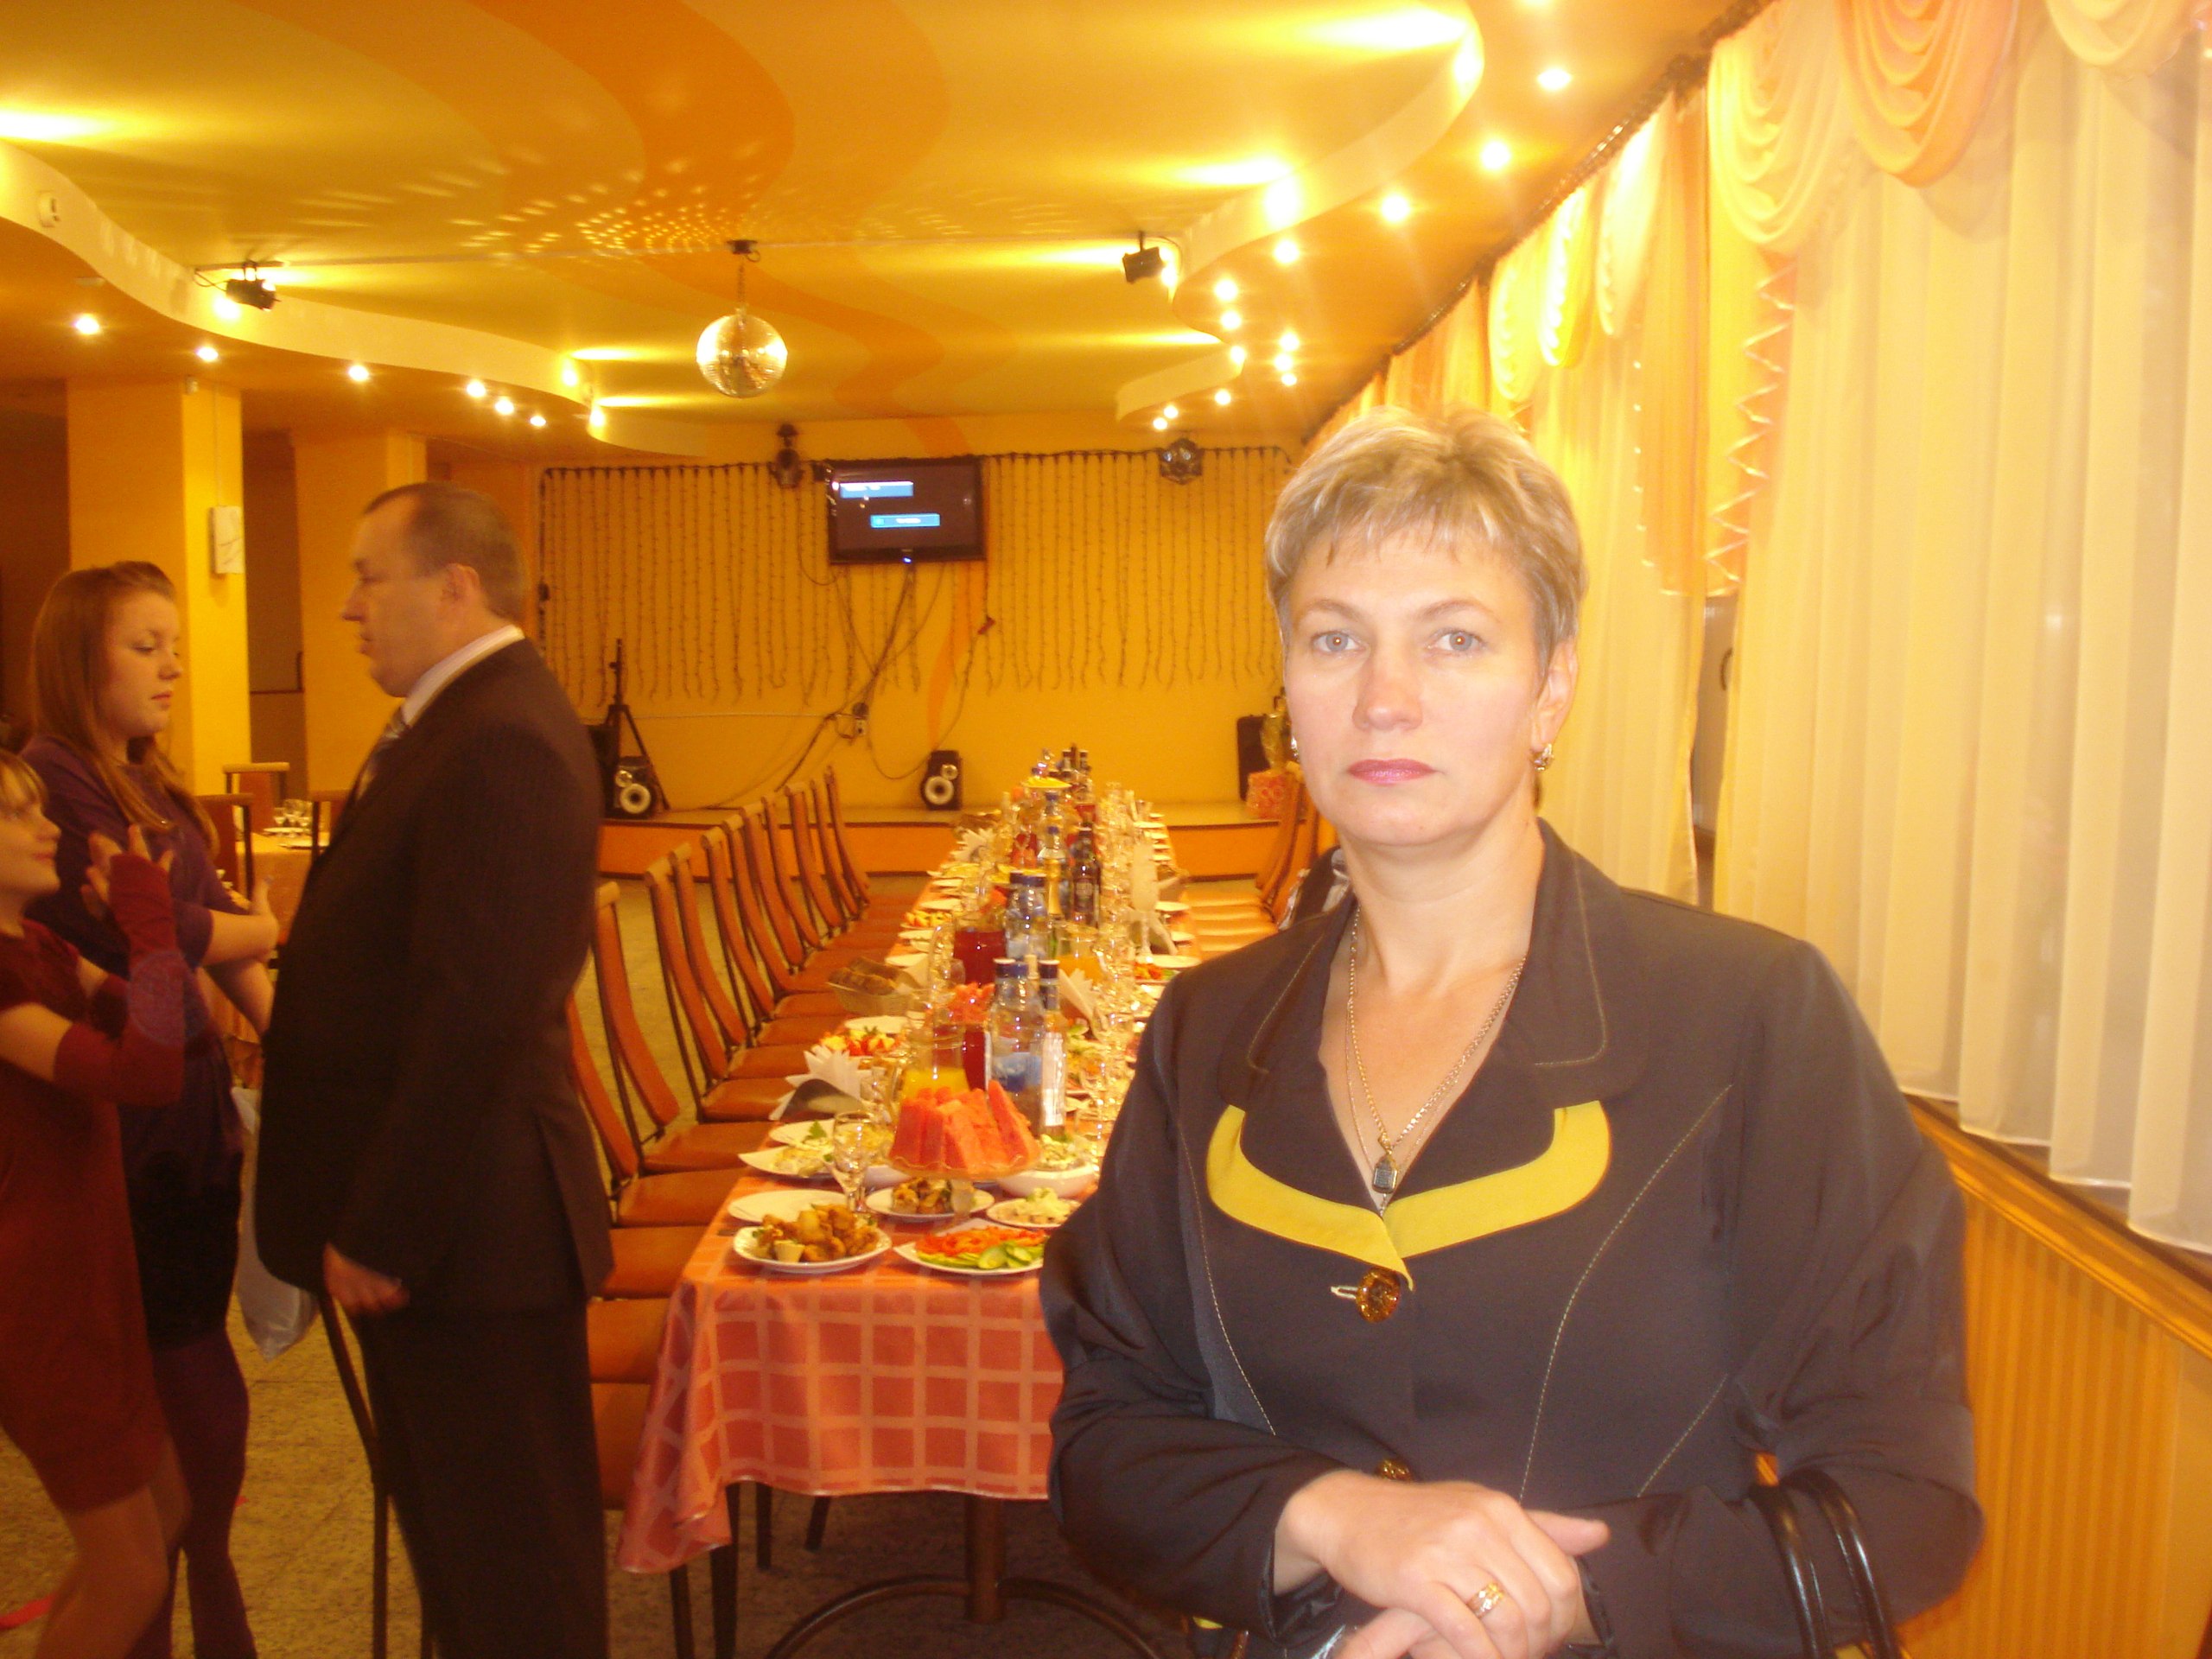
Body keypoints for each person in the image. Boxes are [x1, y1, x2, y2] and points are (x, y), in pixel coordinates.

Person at [1043, 405, 1980, 1659]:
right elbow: (1107, 1445)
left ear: (1552, 688)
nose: (1385, 699)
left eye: (1456, 639)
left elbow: (1904, 1507)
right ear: (1290, 693)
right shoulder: (1204, 1031)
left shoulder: (1753, 1019)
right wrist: (1334, 1517)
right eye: (1335, 639)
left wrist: (1561, 1596)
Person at [255, 480, 613, 1659]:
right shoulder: (457, 718)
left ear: (454, 587)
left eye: (370, 576)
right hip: (455, 1233)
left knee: (513, 1578)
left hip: (466, 1235)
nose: (348, 607)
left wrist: (384, 1227)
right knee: (467, 1561)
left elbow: (477, 1016)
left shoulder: (500, 733)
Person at [24, 562, 280, 1659]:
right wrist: (259, 930)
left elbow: (199, 928)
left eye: (174, 644)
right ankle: (188, 1618)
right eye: (146, 646)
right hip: (125, 1137)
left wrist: (287, 1034)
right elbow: (172, 937)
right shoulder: (56, 781)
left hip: (186, 1116)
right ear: (82, 662)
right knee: (180, 1425)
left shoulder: (149, 784)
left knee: (192, 1429)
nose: (174, 666)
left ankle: (203, 1609)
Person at [0, 749, 195, 1659]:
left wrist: (136, 929)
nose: (47, 827)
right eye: (16, 813)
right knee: (130, 1577)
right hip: (40, 1302)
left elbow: (178, 1032)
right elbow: (147, 1075)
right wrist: (148, 924)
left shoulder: (37, 948)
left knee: (166, 1512)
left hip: (94, 1280)